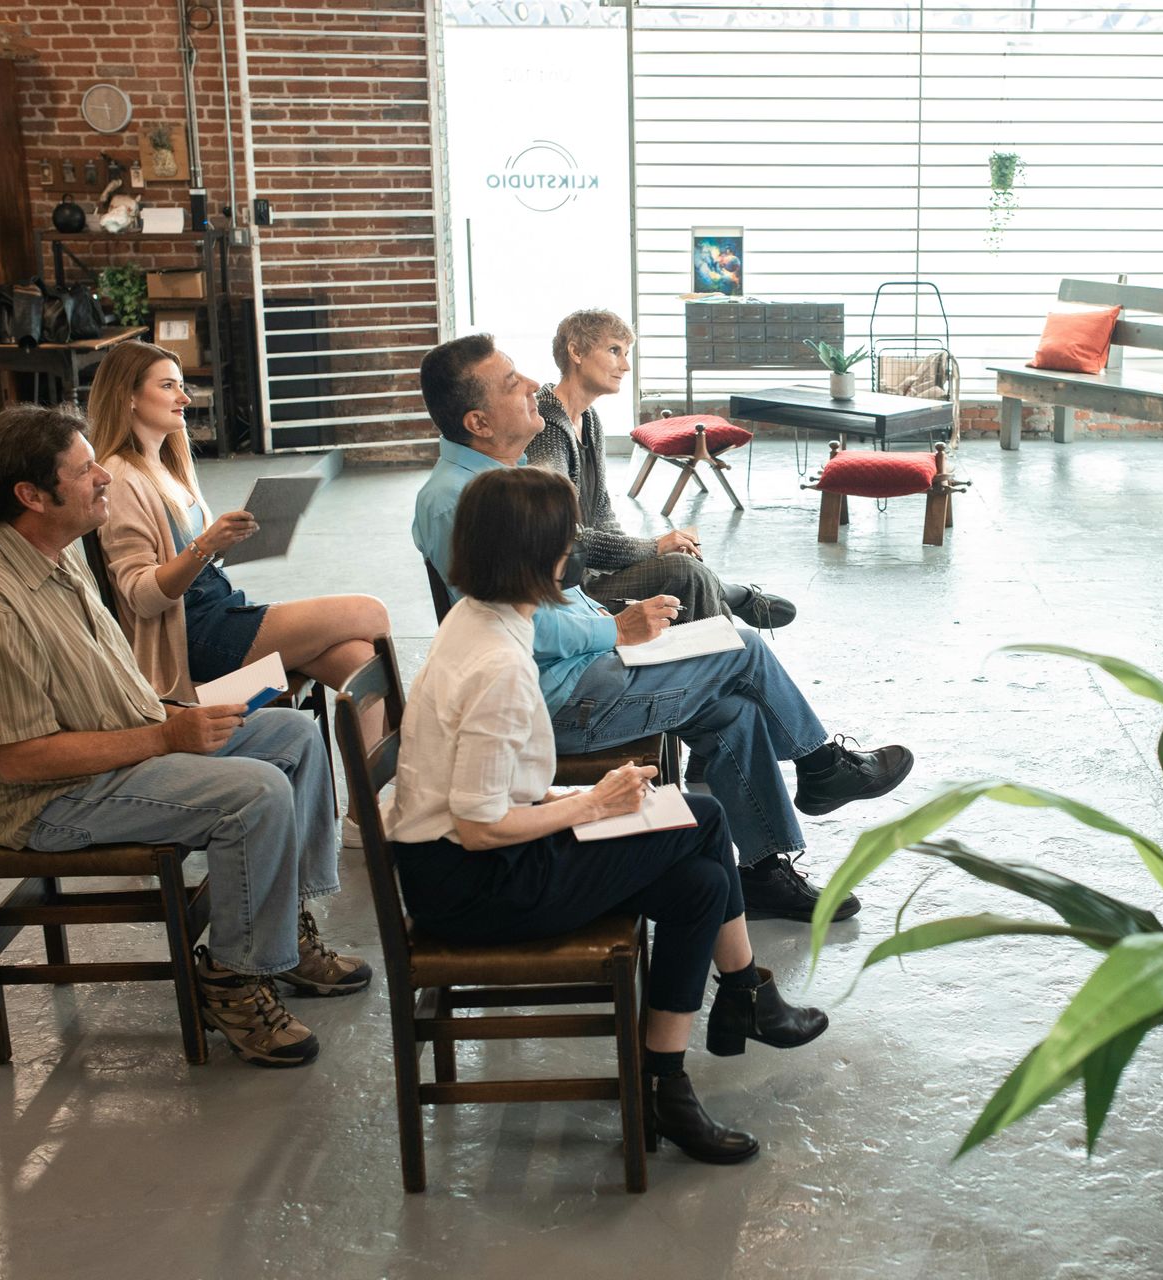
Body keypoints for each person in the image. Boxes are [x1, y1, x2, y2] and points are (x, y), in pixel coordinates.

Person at [387, 466, 828, 1163]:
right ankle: (741, 998)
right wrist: (594, 803)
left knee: (702, 887)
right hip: (475, 884)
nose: (576, 557)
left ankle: (670, 1082)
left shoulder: (479, 619)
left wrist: (587, 804)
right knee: (705, 825)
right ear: (542, 558)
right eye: (567, 543)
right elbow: (478, 826)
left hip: (478, 852)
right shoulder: (499, 664)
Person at [0, 404, 370, 1068]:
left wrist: (172, 721)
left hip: (129, 739)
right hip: (52, 799)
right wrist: (166, 739)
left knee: (292, 736)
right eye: (84, 469)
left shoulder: (47, 549)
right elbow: (18, 761)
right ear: (32, 496)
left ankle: (283, 940)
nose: (103, 476)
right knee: (257, 793)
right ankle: (235, 980)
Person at [415, 334, 913, 923]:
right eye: (510, 383)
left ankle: (762, 870)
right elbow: (506, 628)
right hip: (556, 701)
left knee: (736, 712)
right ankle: (820, 764)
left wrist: (612, 625)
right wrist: (615, 631)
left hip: (587, 674)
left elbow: (559, 593)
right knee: (741, 646)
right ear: (477, 420)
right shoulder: (458, 501)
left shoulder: (504, 476)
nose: (530, 386)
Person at [87, 340, 390, 703]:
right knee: (368, 612)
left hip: (220, 613)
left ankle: (386, 761)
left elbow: (184, 560)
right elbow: (142, 597)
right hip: (194, 638)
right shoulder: (122, 477)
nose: (184, 398)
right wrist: (207, 545)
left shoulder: (167, 466)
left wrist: (227, 542)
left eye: (182, 386)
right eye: (168, 386)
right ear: (128, 397)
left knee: (357, 659)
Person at [530, 309, 795, 630]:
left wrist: (646, 558)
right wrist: (652, 547)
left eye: (626, 354)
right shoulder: (547, 425)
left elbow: (602, 514)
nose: (625, 366)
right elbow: (563, 537)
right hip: (570, 585)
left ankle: (729, 641)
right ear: (576, 352)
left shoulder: (589, 419)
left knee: (682, 563)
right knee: (685, 572)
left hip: (596, 569)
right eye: (614, 350)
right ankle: (734, 614)